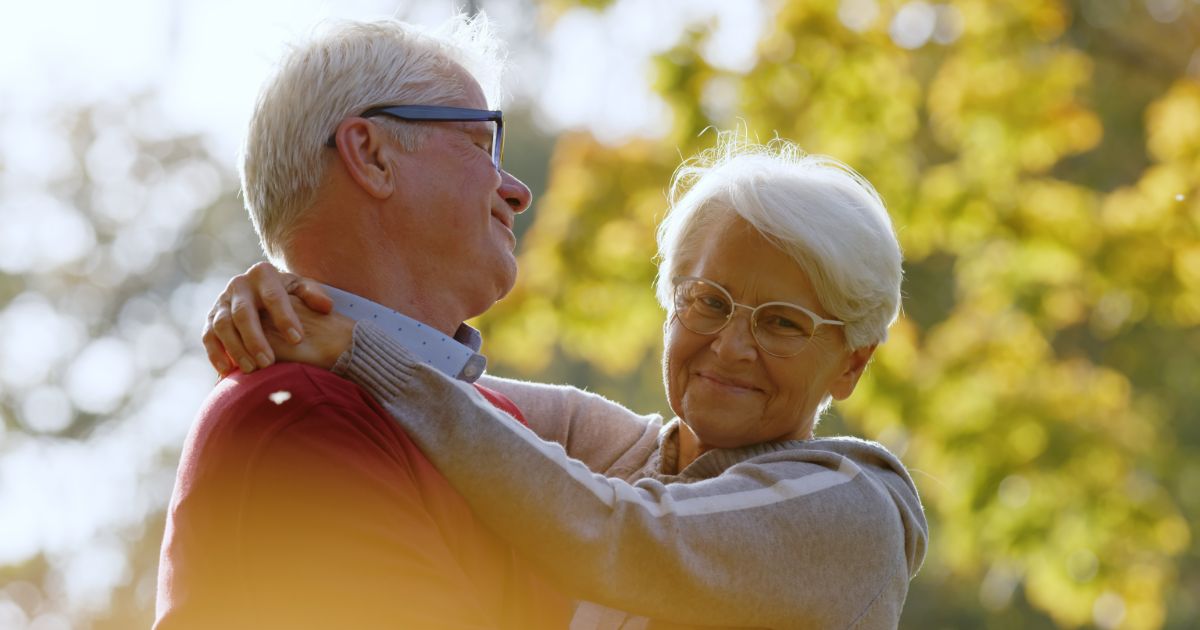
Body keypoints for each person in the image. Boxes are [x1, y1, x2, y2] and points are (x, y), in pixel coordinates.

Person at [206, 134, 929, 629]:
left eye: (781, 323)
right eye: (707, 302)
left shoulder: (853, 507)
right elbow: (438, 386)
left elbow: (619, 533)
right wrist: (287, 306)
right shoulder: (617, 452)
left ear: (852, 363)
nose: (731, 346)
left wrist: (359, 350)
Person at [155, 15, 573, 630]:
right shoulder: (295, 417)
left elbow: (699, 468)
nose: (516, 191)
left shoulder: (486, 419)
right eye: (482, 145)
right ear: (371, 155)